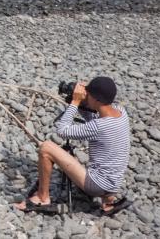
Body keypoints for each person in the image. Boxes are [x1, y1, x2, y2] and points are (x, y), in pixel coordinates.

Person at [14, 77, 131, 215]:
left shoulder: (100, 126)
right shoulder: (121, 112)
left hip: (96, 185)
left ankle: (42, 197)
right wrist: (79, 102)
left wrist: (75, 102)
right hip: (112, 185)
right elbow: (93, 118)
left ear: (97, 99)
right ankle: (108, 201)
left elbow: (62, 131)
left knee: (46, 148)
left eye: (89, 94)